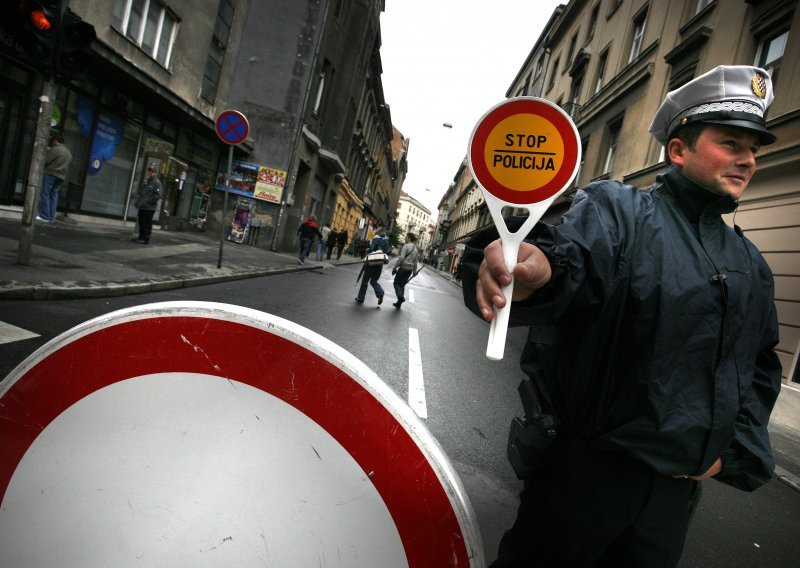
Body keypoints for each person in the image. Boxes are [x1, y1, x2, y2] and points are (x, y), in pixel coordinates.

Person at [462, 65, 782, 568]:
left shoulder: (750, 264)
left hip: (673, 499)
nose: (747, 159)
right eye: (731, 143)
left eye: (753, 149)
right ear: (678, 150)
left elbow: (759, 367)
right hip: (585, 483)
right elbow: (569, 261)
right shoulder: (619, 211)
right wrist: (538, 271)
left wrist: (732, 451)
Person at [36, 134, 72, 223]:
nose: (53, 143)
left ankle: (44, 216)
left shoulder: (56, 149)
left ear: (56, 140)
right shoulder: (68, 153)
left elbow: (47, 161)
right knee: (54, 195)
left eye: (53, 141)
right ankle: (51, 217)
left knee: (45, 194)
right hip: (61, 176)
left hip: (51, 173)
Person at [355, 227, 389, 305]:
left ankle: (361, 297)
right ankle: (380, 292)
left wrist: (367, 250)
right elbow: (387, 251)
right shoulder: (386, 241)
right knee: (374, 281)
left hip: (372, 262)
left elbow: (372, 249)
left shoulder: (376, 238)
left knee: (365, 280)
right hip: (380, 263)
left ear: (378, 232)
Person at [133, 163, 163, 244]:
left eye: (152, 171)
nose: (150, 172)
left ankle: (145, 239)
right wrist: (138, 202)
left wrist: (148, 201)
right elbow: (143, 194)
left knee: (146, 223)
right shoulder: (146, 181)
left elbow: (158, 196)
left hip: (149, 208)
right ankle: (140, 237)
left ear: (156, 173)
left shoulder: (157, 183)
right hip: (142, 206)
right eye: (149, 170)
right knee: (141, 222)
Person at [391, 232, 419, 309]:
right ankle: (399, 303)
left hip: (403, 268)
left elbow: (401, 258)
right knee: (402, 285)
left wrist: (395, 267)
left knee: (396, 283)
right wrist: (414, 271)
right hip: (409, 270)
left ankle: (400, 297)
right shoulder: (415, 249)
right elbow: (415, 261)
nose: (405, 238)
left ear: (409, 238)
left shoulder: (406, 246)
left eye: (406, 237)